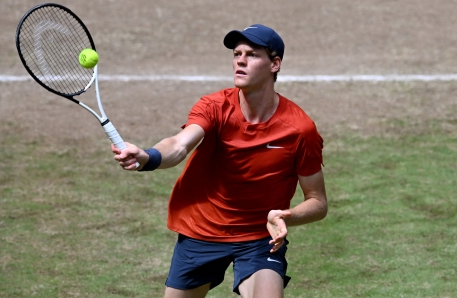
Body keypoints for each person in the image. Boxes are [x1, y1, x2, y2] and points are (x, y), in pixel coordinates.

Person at [112, 24, 328, 298]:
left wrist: (287, 216)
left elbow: (318, 202)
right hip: (202, 228)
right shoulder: (214, 107)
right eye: (236, 53)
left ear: (275, 64)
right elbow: (179, 145)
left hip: (260, 237)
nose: (240, 59)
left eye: (251, 54)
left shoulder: (299, 129)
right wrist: (148, 157)